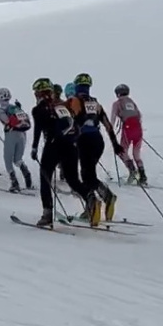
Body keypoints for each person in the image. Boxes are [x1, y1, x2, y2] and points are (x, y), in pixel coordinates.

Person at [30, 78, 91, 226]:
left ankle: (47, 213)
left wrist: (34, 147)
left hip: (53, 144)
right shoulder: (62, 106)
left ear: (39, 93)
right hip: (70, 145)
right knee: (73, 179)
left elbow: (38, 129)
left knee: (45, 177)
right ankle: (91, 200)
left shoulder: (39, 109)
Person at [63, 73, 122, 222]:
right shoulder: (95, 103)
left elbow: (71, 122)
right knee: (89, 175)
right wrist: (115, 144)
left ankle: (98, 203)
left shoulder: (75, 101)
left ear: (77, 86)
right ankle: (99, 202)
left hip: (84, 140)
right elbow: (107, 125)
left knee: (86, 176)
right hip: (98, 141)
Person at [0, 87, 33, 192]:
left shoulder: (0, 111)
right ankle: (27, 177)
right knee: (18, 159)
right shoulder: (16, 108)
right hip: (22, 134)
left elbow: (5, 121)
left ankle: (14, 183)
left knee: (8, 160)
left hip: (11, 134)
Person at [111, 84, 146, 185]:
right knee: (136, 153)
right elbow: (139, 115)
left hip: (128, 128)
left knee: (122, 151)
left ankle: (132, 171)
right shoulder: (132, 102)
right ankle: (142, 176)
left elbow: (113, 118)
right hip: (138, 128)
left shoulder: (117, 103)